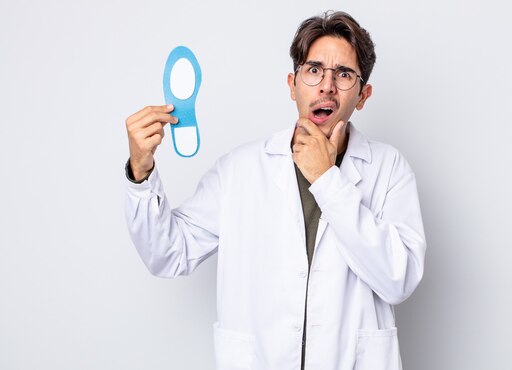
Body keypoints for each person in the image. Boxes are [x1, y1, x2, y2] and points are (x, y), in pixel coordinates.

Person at [124, 10, 426, 370]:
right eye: (314, 70)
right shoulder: (239, 170)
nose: (327, 85)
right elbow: (168, 254)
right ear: (292, 84)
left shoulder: (389, 170)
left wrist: (326, 179)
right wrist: (141, 173)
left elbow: (398, 279)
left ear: (363, 95)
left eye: (344, 74)